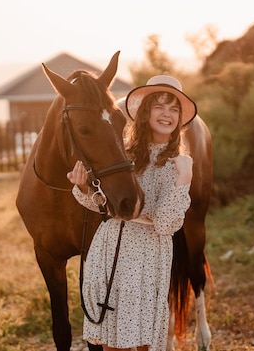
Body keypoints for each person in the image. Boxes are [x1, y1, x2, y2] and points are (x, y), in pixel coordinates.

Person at [66, 75, 197, 351]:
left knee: (140, 343)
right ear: (146, 111)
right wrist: (82, 188)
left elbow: (163, 224)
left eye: (174, 109)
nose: (167, 114)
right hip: (109, 249)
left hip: (146, 260)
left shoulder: (179, 164)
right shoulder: (123, 152)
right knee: (111, 342)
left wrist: (184, 180)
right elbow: (107, 207)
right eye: (160, 106)